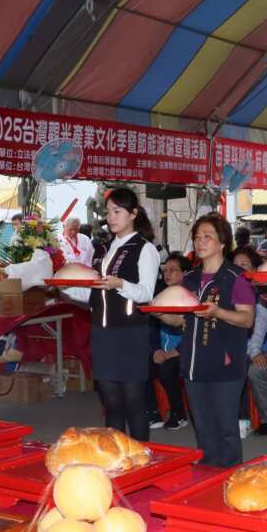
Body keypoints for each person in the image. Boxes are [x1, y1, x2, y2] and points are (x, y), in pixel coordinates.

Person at [69, 188, 160, 441]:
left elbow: (146, 293)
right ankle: (115, 455)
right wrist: (65, 288)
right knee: (112, 404)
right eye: (108, 212)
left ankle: (141, 457)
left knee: (134, 403)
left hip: (130, 334)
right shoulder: (108, 248)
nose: (110, 217)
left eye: (117, 211)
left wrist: (120, 284)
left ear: (133, 214)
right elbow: (96, 296)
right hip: (103, 333)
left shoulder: (144, 248)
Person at [175, 213, 255, 467]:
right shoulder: (188, 279)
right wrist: (162, 313)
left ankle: (231, 479)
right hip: (192, 363)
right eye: (197, 237)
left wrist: (217, 312)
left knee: (226, 429)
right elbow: (180, 321)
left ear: (222, 242)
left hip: (225, 365)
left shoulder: (237, 277)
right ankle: (206, 482)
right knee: (203, 429)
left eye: (207, 237)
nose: (200, 242)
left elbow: (247, 320)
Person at [236, 245, 267, 437]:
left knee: (254, 370)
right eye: (235, 265)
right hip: (244, 349)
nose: (239, 270)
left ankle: (266, 419)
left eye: (244, 265)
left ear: (256, 270)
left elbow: (261, 326)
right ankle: (239, 418)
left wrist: (254, 351)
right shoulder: (229, 291)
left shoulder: (263, 292)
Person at [146, 254, 192, 431]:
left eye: (173, 270)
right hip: (162, 351)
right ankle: (152, 412)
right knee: (142, 365)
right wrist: (156, 350)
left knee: (168, 368)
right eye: (165, 270)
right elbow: (152, 328)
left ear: (185, 273)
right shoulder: (159, 296)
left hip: (185, 352)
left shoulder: (190, 297)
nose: (168, 274)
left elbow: (193, 331)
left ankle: (179, 414)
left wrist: (175, 352)